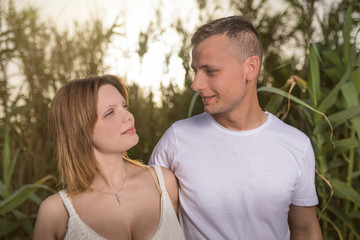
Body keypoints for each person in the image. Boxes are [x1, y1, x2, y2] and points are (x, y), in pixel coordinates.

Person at [149, 16, 323, 240]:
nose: (196, 84)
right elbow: (148, 224)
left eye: (210, 71)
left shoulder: (297, 145)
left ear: (250, 68)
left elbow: (305, 230)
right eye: (195, 71)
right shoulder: (177, 139)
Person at [33, 75, 185, 240]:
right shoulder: (56, 213)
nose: (128, 116)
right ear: (80, 131)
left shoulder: (164, 183)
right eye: (110, 112)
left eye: (124, 106)